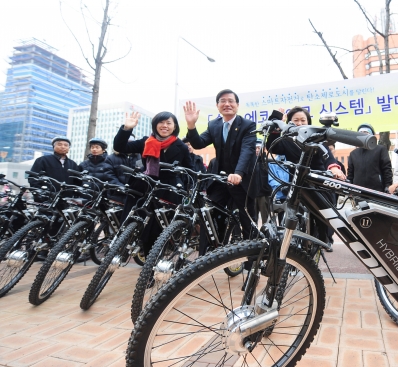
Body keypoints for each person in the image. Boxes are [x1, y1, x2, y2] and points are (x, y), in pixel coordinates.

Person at [183, 90, 259, 242]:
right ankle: (207, 257)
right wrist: (191, 125)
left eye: (231, 101)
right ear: (217, 106)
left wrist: (238, 173)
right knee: (210, 218)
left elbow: (247, 151)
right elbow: (198, 143)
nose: (227, 104)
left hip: (241, 181)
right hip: (220, 180)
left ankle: (252, 262)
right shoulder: (214, 125)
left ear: (237, 105)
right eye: (222, 101)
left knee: (248, 223)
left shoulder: (247, 125)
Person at [113, 111, 193, 254]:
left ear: (174, 127)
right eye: (161, 122)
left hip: (168, 189)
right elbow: (120, 147)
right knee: (136, 221)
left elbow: (189, 170)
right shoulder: (146, 141)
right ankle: (131, 248)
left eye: (169, 123)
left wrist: (186, 190)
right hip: (145, 185)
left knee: (157, 230)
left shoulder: (181, 146)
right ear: (155, 125)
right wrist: (126, 128)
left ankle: (153, 259)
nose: (164, 126)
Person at [266, 106, 345, 250]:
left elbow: (327, 155)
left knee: (323, 215)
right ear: (289, 122)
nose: (299, 123)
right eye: (295, 120)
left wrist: (334, 167)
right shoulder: (286, 140)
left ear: (308, 122)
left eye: (303, 120)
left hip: (317, 180)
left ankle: (324, 240)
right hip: (296, 182)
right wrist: (277, 117)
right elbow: (272, 145)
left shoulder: (316, 137)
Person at [347, 123, 392, 193]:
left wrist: (388, 185)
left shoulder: (380, 150)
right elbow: (350, 175)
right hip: (358, 192)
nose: (363, 135)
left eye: (366, 132)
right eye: (360, 133)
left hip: (377, 191)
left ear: (372, 135)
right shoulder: (353, 154)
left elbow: (386, 169)